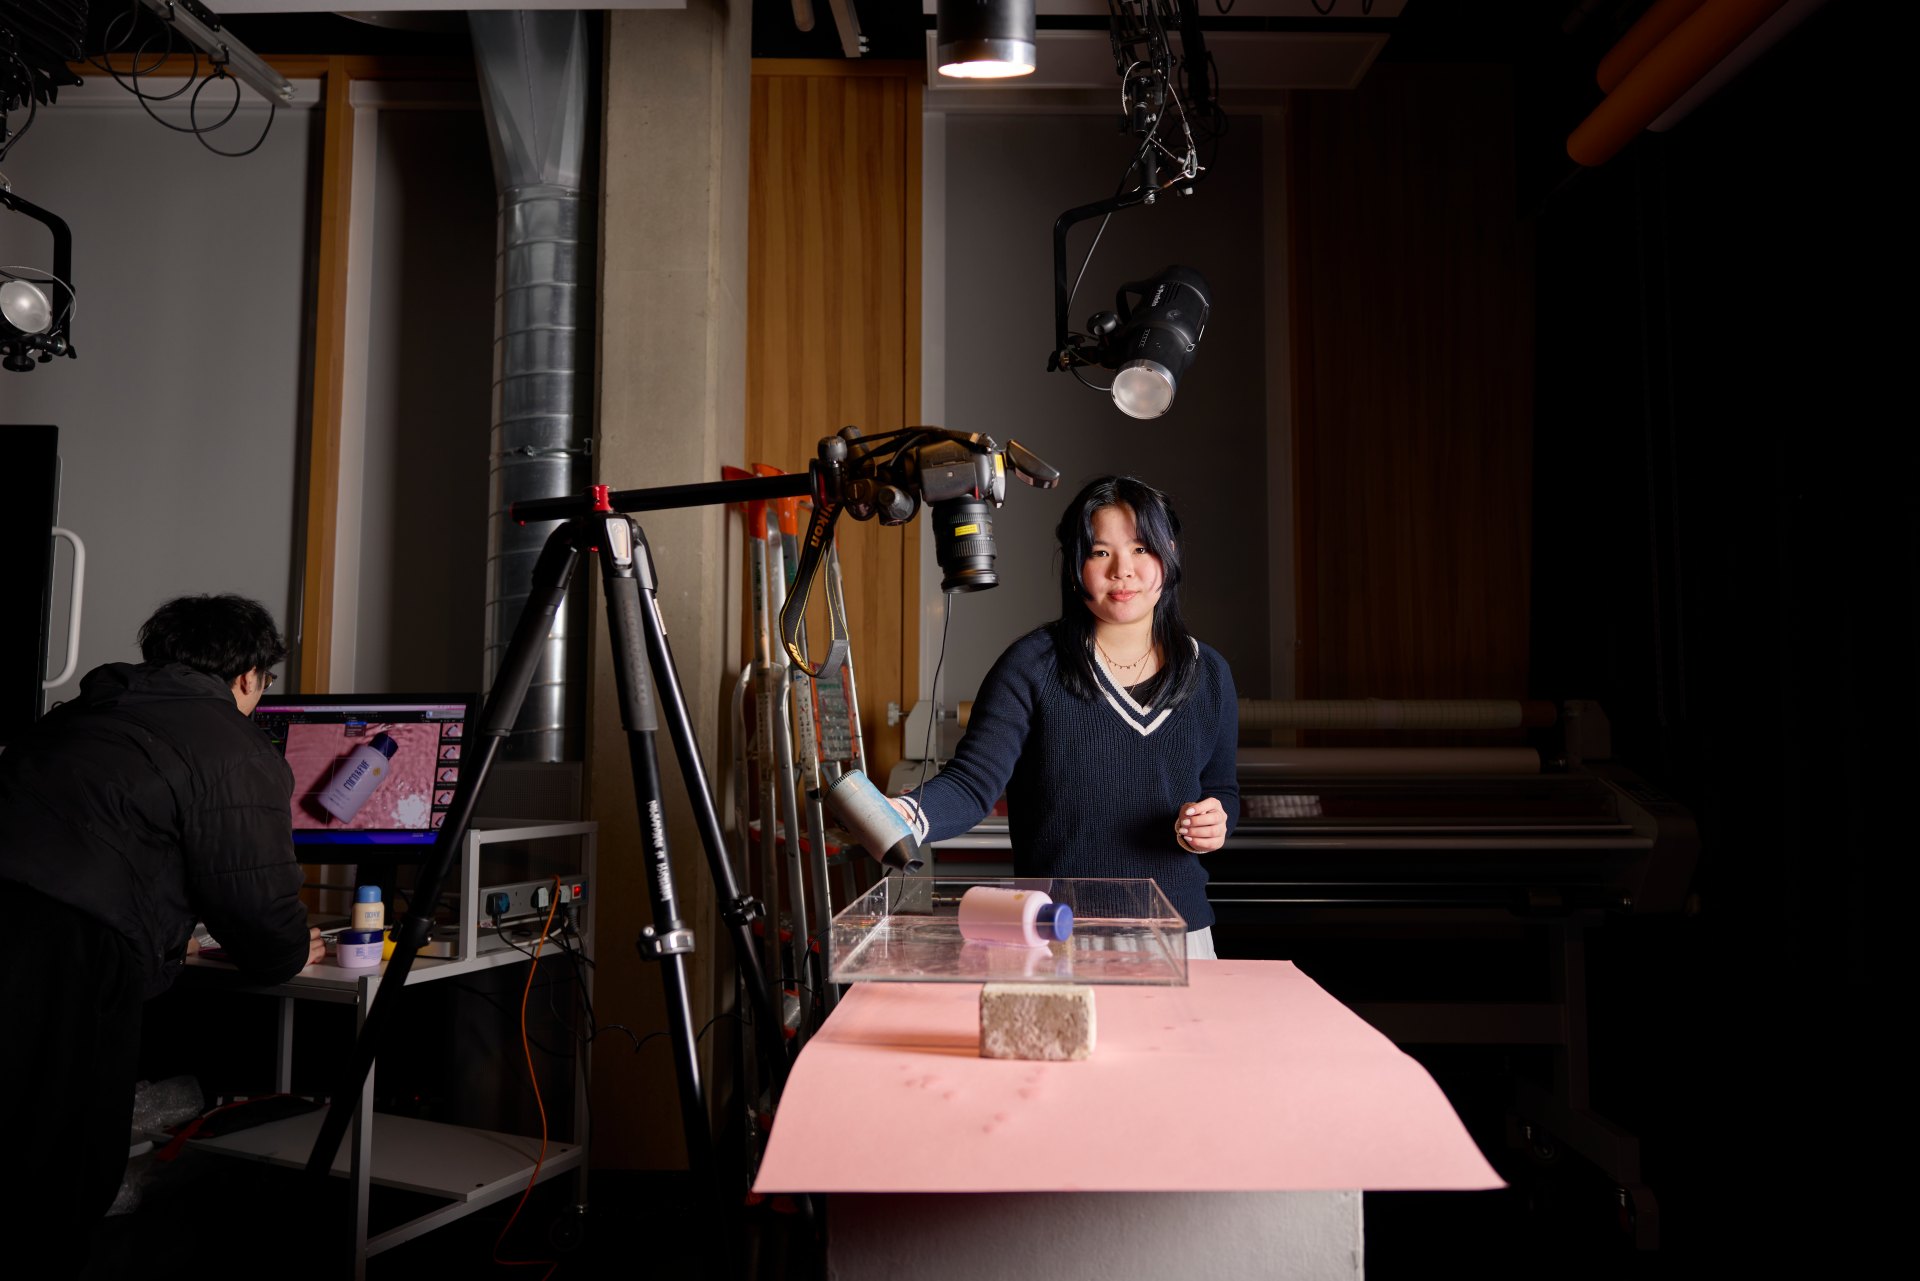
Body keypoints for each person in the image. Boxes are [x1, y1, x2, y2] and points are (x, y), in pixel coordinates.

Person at [0, 593, 323, 1258]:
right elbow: (266, 933)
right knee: (60, 1173)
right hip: (68, 949)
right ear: (247, 676)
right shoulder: (236, 748)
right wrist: (297, 941)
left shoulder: (82, 713)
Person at [891, 475, 1238, 958]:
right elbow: (972, 785)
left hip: (1178, 933)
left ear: (1170, 555)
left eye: (1141, 549)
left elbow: (1221, 790)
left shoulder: (1210, 673)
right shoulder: (1032, 665)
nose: (1123, 571)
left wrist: (1214, 822)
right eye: (1100, 553)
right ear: (1075, 567)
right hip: (1058, 931)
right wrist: (903, 815)